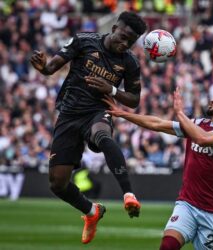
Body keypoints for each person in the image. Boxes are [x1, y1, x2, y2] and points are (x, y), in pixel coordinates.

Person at [30, 11, 147, 244]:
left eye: (131, 41)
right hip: (69, 114)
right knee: (57, 183)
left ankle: (129, 194)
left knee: (103, 135)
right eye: (123, 36)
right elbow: (52, 67)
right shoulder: (83, 41)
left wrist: (112, 90)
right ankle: (92, 212)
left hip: (97, 112)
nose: (125, 44)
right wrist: (44, 68)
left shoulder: (130, 63)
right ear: (114, 28)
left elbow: (134, 99)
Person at [103, 87, 213, 250]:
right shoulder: (199, 123)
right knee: (167, 246)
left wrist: (180, 112)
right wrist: (122, 114)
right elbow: (157, 123)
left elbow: (202, 138)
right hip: (188, 203)